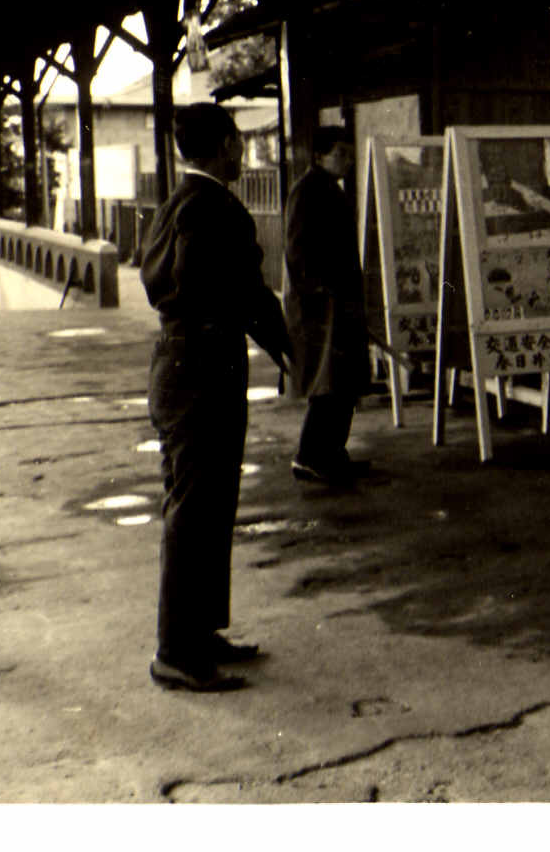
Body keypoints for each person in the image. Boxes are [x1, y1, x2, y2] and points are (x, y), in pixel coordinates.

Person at [140, 104, 291, 692]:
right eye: (239, 143)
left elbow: (162, 281)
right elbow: (240, 292)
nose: (243, 153)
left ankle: (199, 632)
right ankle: (177, 651)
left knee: (205, 503)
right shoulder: (215, 208)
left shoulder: (177, 203)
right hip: (203, 370)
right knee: (196, 508)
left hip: (180, 366)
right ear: (225, 144)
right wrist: (292, 348)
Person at [283, 126, 372, 486]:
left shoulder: (330, 188)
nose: (347, 161)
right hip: (322, 306)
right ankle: (309, 457)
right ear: (319, 156)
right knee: (329, 382)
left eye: (349, 154)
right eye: (340, 153)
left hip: (341, 299)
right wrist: (319, 290)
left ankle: (333, 453)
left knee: (345, 381)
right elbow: (296, 250)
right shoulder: (307, 190)